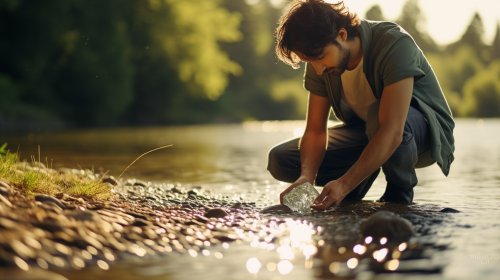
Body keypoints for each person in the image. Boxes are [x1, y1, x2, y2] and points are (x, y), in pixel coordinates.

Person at [267, 0, 455, 210]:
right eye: (310, 62)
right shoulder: (320, 63)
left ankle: (398, 198)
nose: (318, 70)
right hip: (368, 131)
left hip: (422, 135)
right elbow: (315, 130)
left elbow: (392, 130)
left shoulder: (394, 43)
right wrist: (306, 177)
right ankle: (350, 197)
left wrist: (344, 184)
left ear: (342, 35)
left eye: (320, 58)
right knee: (281, 158)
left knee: (378, 115)